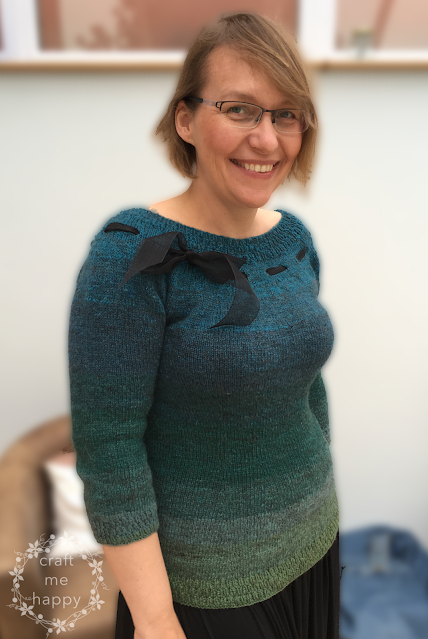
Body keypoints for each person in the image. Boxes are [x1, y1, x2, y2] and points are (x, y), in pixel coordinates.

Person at [68, 11, 340, 639]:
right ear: (185, 120)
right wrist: (155, 619)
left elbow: (307, 388)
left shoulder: (294, 241)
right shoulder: (132, 256)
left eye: (285, 114)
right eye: (239, 109)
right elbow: (110, 453)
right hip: (204, 592)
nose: (266, 139)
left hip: (314, 546)